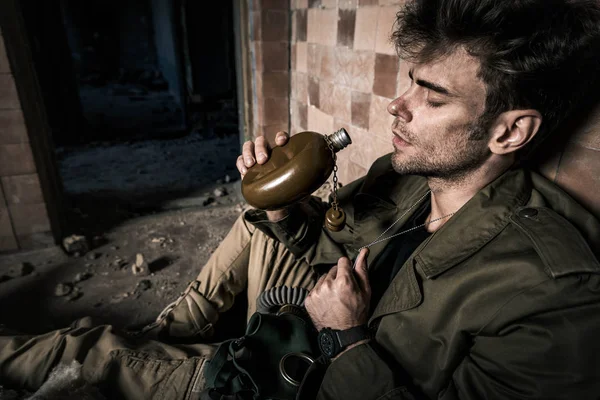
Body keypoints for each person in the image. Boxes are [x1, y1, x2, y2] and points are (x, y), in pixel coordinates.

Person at [2, 0, 600, 398]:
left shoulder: (550, 296)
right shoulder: (414, 175)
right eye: (410, 81)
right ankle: (176, 330)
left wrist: (346, 337)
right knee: (256, 217)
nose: (398, 105)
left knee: (85, 352)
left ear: (509, 132)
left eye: (433, 97)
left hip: (276, 379)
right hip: (283, 331)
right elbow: (327, 242)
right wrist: (282, 203)